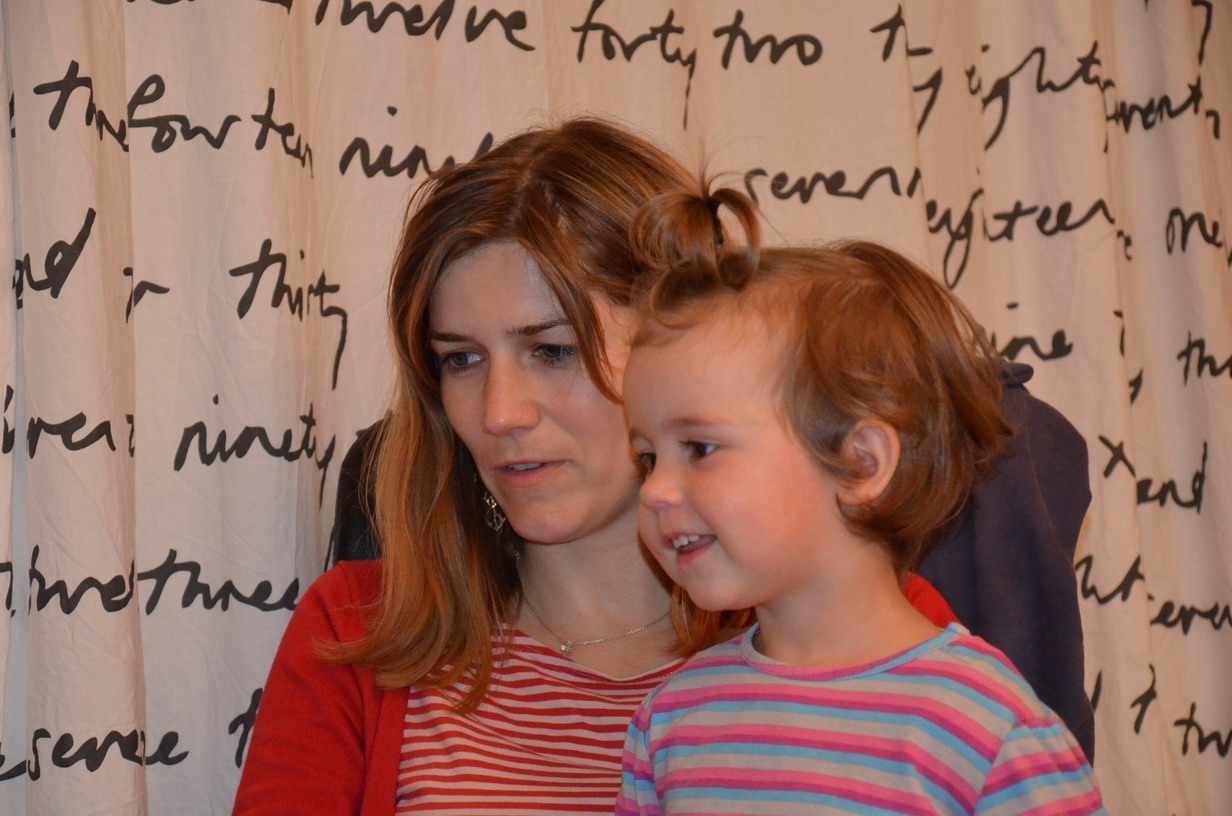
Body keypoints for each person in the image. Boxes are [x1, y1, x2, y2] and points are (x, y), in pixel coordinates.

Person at [232, 119, 958, 815]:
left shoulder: (871, 627)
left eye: (553, 351)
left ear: (677, 348)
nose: (499, 414)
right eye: (462, 359)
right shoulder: (356, 628)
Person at [615, 184, 1105, 815]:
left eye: (700, 448)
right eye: (648, 458)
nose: (655, 490)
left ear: (861, 463)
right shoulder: (672, 722)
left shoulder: (986, 728)